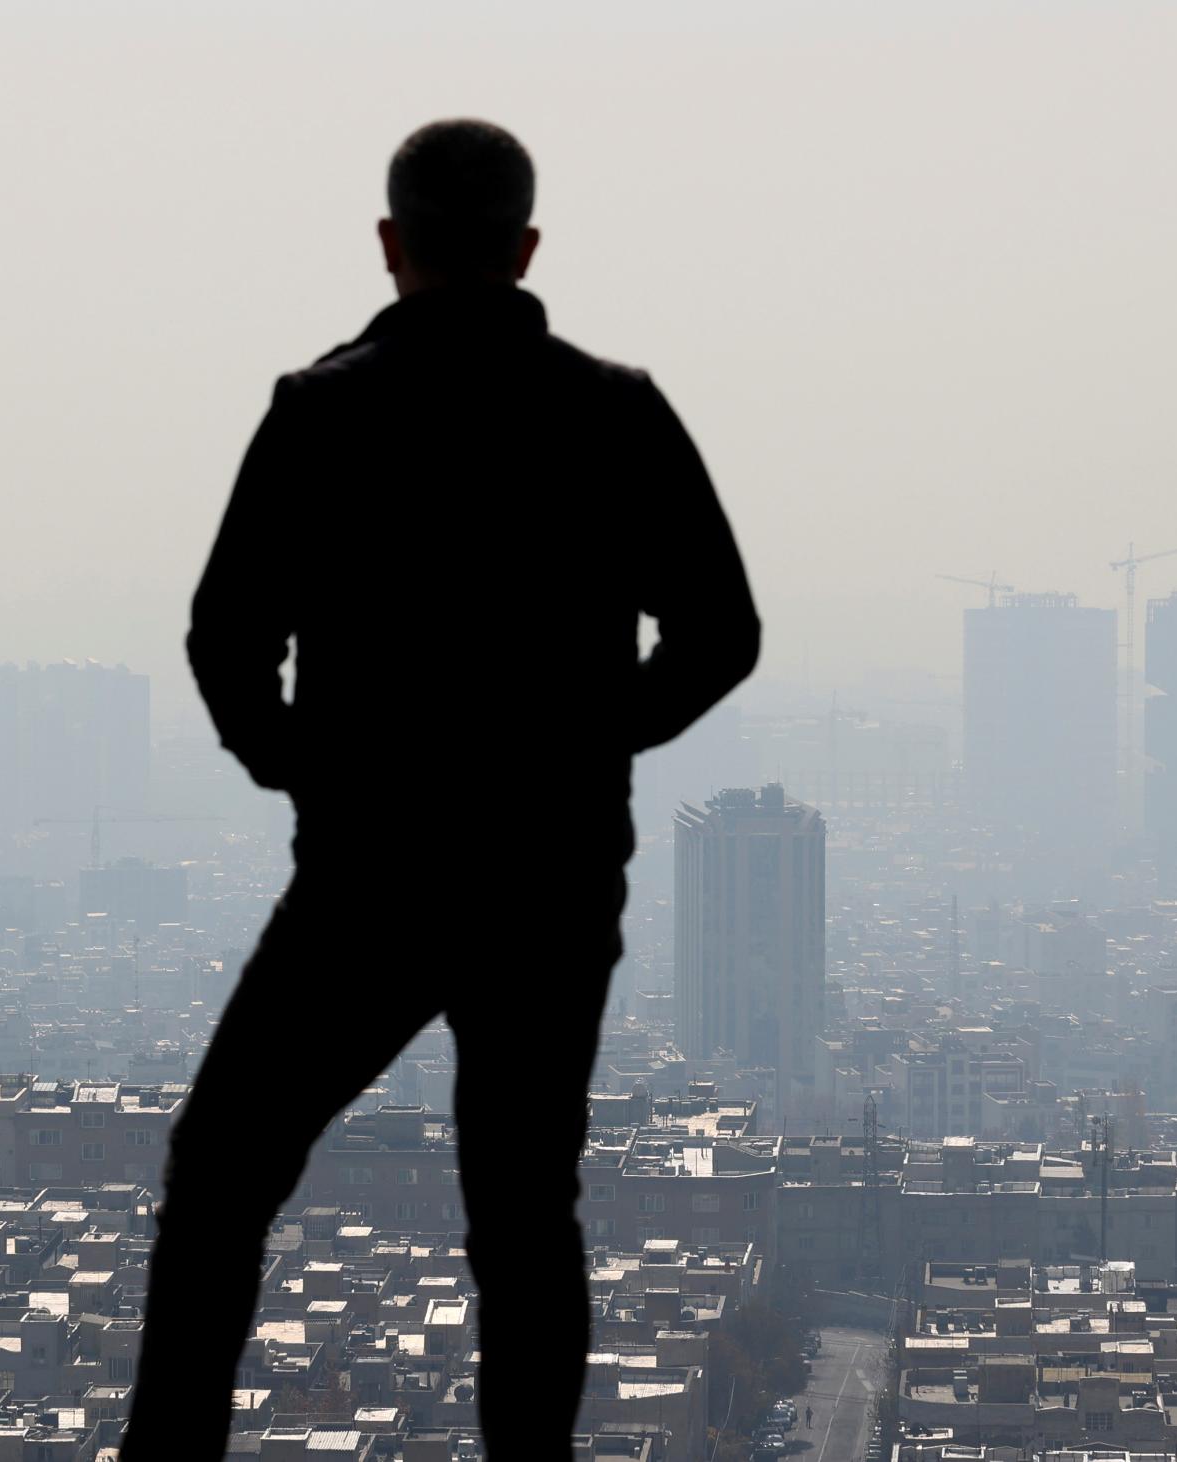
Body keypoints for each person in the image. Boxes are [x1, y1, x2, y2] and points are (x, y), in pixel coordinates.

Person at [125, 117, 760, 1458]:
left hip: (370, 875)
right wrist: (595, 741)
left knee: (223, 1179)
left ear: (389, 244)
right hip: (549, 876)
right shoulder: (613, 411)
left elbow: (227, 636)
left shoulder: (325, 412)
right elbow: (723, 632)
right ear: (526, 247)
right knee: (526, 1219)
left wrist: (306, 764)